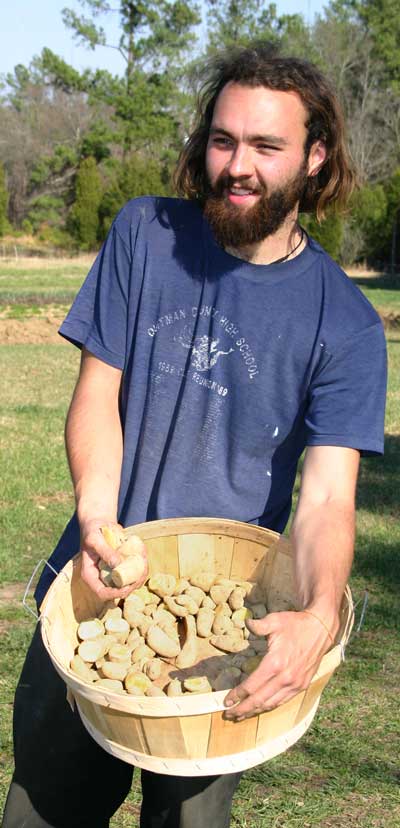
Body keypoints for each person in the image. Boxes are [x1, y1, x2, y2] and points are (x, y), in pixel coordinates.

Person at [3, 42, 386, 828]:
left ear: (315, 158)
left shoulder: (345, 323)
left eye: (266, 146)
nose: (237, 165)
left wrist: (317, 615)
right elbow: (96, 396)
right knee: (42, 809)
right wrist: (98, 521)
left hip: (227, 626)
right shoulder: (146, 235)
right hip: (89, 594)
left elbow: (324, 498)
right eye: (223, 139)